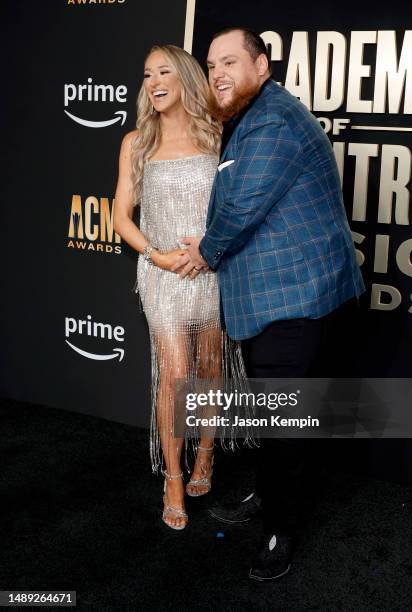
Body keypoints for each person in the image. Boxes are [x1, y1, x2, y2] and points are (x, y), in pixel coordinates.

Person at [179, 28, 365, 578]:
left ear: (262, 66)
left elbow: (238, 208)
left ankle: (280, 530)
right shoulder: (254, 117)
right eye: (211, 65)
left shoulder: (271, 121)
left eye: (230, 62)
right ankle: (270, 494)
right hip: (290, 298)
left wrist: (205, 251)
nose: (217, 74)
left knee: (283, 426)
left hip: (296, 303)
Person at [113, 44, 246, 531]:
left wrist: (207, 252)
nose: (154, 82)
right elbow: (119, 216)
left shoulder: (218, 136)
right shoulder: (137, 142)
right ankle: (173, 477)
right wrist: (156, 255)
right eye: (147, 74)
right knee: (174, 372)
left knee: (210, 365)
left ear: (186, 77)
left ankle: (205, 452)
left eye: (164, 71)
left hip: (211, 269)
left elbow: (237, 209)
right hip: (163, 272)